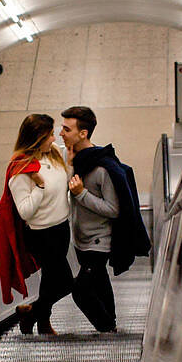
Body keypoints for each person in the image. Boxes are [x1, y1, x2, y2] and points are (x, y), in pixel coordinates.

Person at [0, 113, 73, 335]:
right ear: (37, 138)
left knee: (50, 280)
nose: (54, 139)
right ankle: (32, 312)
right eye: (49, 135)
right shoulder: (21, 169)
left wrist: (71, 163)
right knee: (65, 282)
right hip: (42, 235)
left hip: (61, 228)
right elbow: (25, 211)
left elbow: (63, 180)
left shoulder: (53, 153)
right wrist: (39, 187)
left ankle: (41, 323)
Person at [59, 105, 122, 333]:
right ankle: (111, 323)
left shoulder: (101, 167)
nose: (61, 133)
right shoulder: (70, 159)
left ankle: (106, 328)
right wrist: (69, 166)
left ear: (83, 133)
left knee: (81, 290)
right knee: (99, 281)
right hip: (80, 239)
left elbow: (113, 209)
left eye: (67, 129)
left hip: (98, 241)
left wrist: (81, 194)